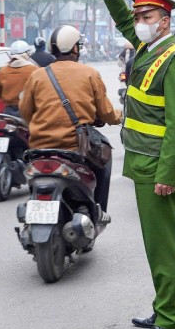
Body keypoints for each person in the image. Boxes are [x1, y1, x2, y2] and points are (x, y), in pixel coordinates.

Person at [100, 0, 175, 329]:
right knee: (154, 244)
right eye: (137, 14)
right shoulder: (148, 47)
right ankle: (164, 305)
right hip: (142, 160)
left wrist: (169, 172)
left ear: (165, 20)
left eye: (147, 14)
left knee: (163, 244)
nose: (139, 21)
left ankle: (172, 321)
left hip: (158, 165)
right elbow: (125, 23)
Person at [19, 25, 121, 218]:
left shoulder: (37, 75)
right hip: (74, 148)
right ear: (75, 48)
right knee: (104, 161)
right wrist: (119, 117)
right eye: (78, 45)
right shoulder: (90, 73)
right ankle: (97, 212)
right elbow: (106, 112)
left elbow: (25, 111)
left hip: (39, 148)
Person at [0, 40, 39, 116]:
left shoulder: (3, 71)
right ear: (27, 54)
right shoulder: (34, 70)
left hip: (8, 112)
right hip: (28, 111)